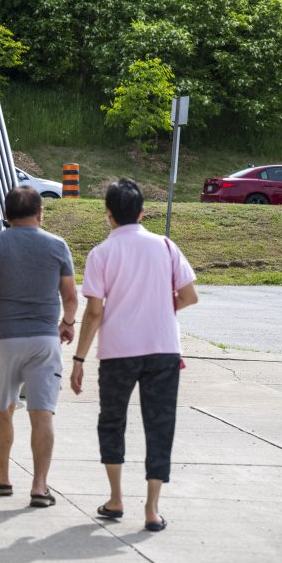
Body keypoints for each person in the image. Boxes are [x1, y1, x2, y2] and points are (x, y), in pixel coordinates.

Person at [69, 178, 197, 532]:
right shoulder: (167, 247)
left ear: (108, 215)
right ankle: (153, 509)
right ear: (142, 212)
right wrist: (161, 307)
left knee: (112, 421)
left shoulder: (101, 254)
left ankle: (115, 498)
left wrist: (78, 360)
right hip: (163, 349)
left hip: (118, 351)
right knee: (160, 424)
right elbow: (189, 296)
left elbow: (94, 312)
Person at [0, 186, 78, 508]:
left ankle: (1, 477)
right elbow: (70, 296)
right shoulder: (58, 245)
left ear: (7, 214)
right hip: (45, 339)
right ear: (40, 212)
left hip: (5, 338)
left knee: (4, 408)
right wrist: (67, 323)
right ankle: (40, 487)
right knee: (43, 413)